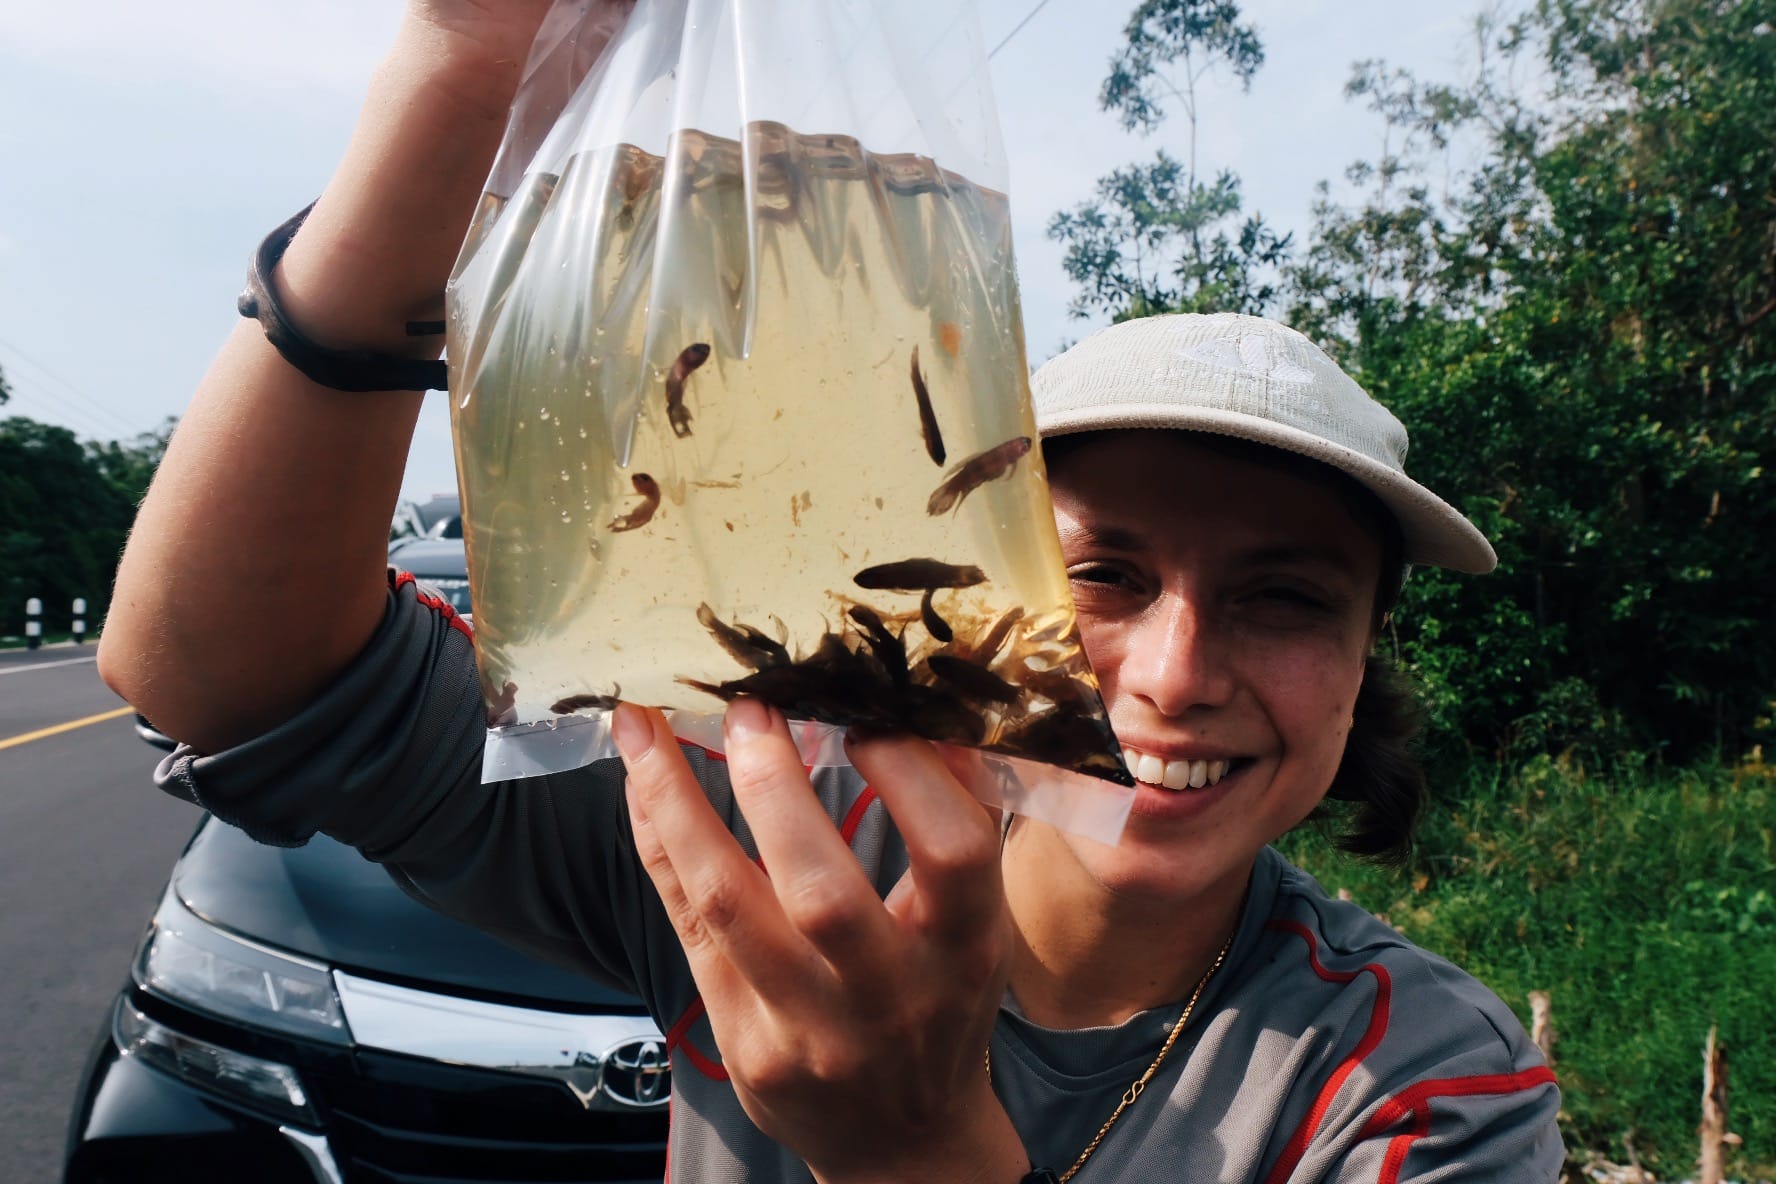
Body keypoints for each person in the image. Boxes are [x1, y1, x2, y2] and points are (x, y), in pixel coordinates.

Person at [98, 5, 1563, 1181]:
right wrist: (454, 71)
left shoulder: (1422, 1084)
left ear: (1367, 661)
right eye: (1103, 571)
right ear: (980, 574)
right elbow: (223, 675)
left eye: (1288, 599)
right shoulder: (763, 845)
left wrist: (913, 1151)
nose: (1178, 673)